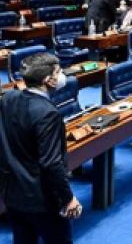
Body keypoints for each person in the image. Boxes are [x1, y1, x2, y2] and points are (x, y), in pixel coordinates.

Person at [0, 52, 82, 243]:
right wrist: (68, 198)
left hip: (13, 194)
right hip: (41, 201)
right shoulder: (48, 113)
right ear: (48, 80)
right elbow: (51, 163)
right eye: (58, 72)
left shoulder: (8, 98)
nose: (62, 76)